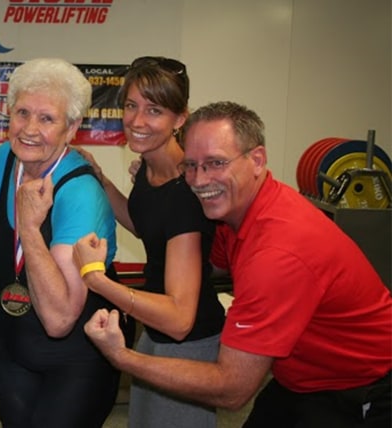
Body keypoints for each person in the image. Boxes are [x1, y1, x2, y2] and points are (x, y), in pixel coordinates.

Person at [82, 101, 392, 428]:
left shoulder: (278, 251)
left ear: (256, 159)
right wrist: (152, 191)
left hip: (361, 387)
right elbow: (203, 261)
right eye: (191, 165)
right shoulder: (235, 212)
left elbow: (232, 388)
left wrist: (122, 356)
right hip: (301, 378)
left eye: (215, 163)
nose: (200, 180)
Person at [0, 58, 135, 428]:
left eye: (47, 118)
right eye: (22, 113)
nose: (30, 129)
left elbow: (59, 318)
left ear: (72, 128)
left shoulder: (81, 193)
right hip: (13, 346)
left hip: (77, 357)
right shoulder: (4, 159)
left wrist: (31, 230)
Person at [73, 56, 225, 428]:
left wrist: (97, 279)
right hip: (153, 330)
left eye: (154, 110)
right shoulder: (149, 167)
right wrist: (101, 180)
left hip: (187, 344)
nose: (137, 121)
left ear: (180, 118)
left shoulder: (184, 194)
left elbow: (179, 318)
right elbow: (147, 227)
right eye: (131, 105)